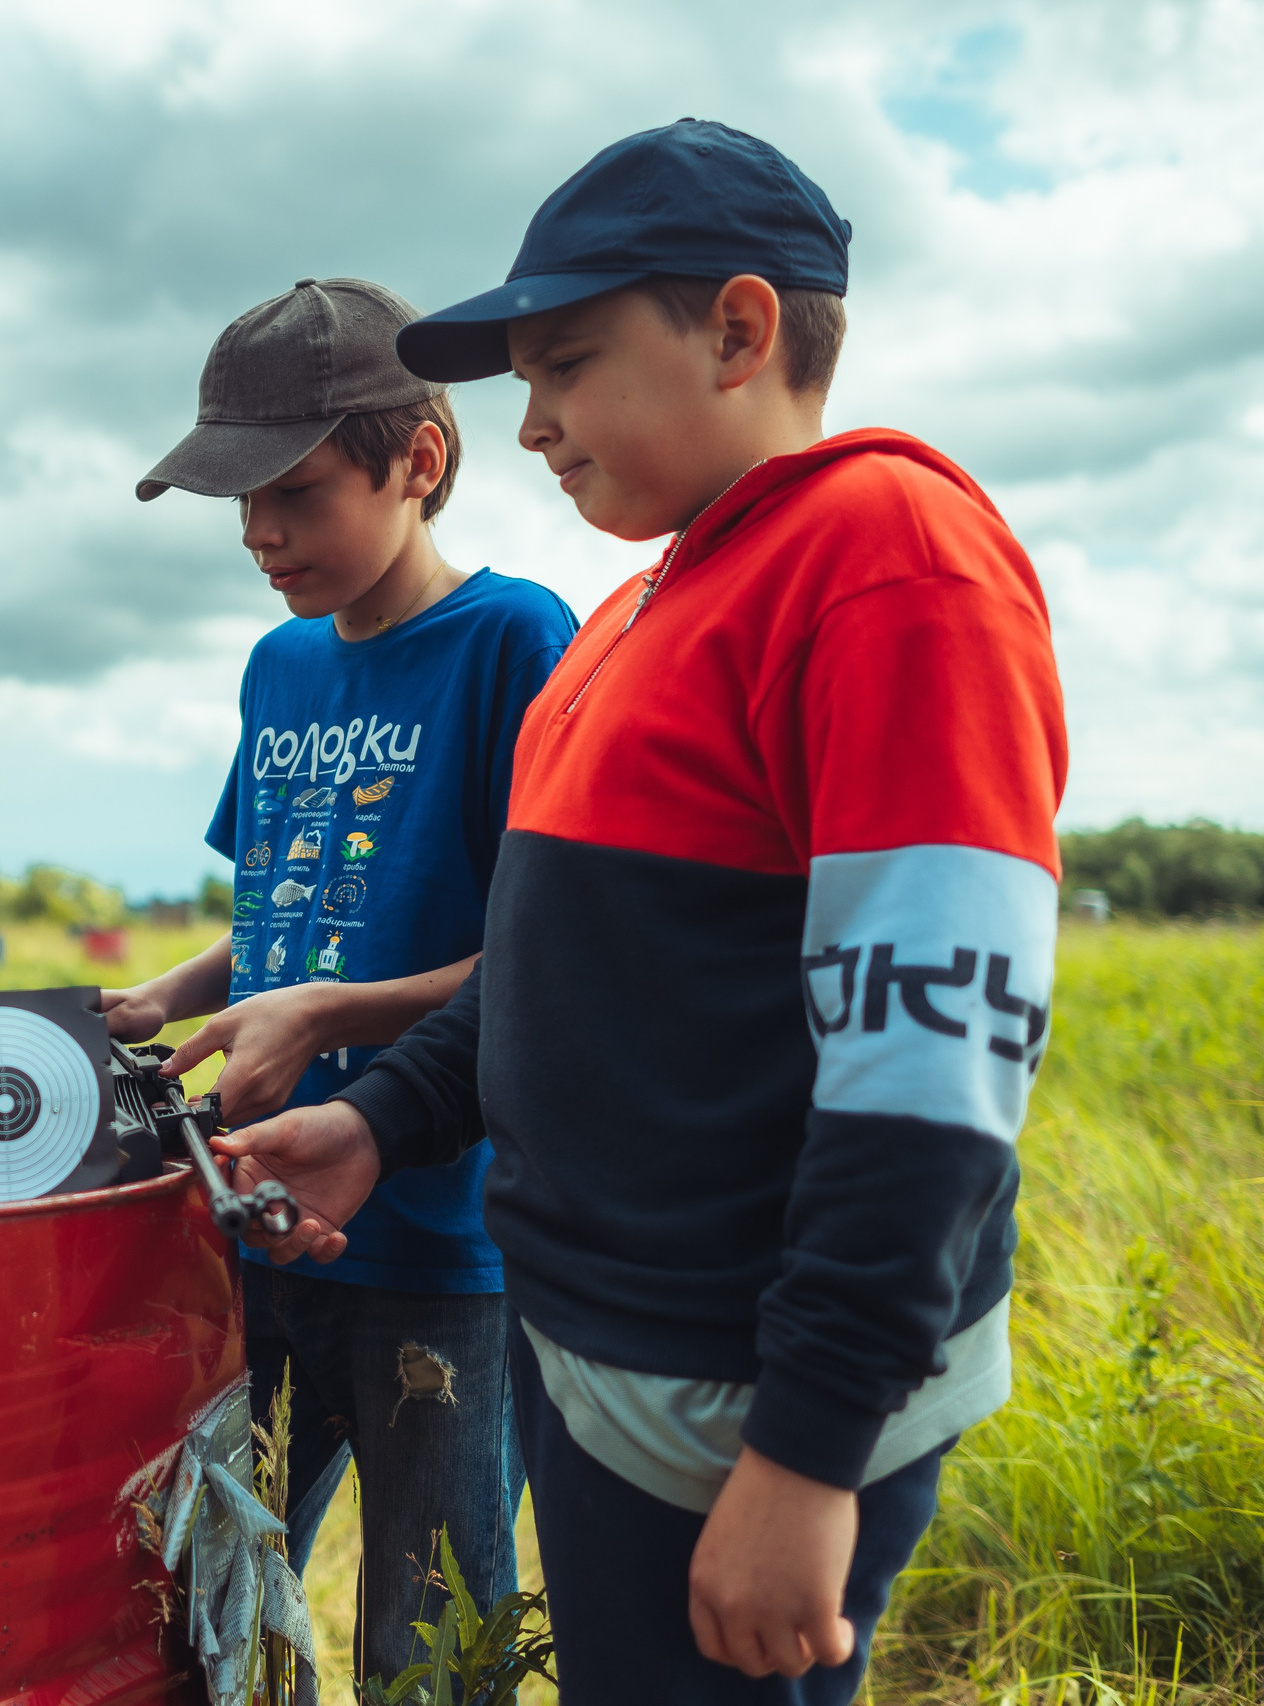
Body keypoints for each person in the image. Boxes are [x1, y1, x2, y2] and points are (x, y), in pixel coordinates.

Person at [215, 122, 1066, 1703]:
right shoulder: (641, 610)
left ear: (739, 331)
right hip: (602, 1361)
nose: (530, 423)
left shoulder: (888, 561)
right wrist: (385, 1118)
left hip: (743, 1399)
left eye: (567, 365)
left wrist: (809, 1453)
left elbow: (930, 1072)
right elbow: (553, 965)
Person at [108, 278, 577, 1681]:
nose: (260, 532)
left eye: (296, 493)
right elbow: (281, 913)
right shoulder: (281, 665)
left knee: (431, 1636)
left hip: (437, 1233)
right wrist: (165, 997)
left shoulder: (513, 641)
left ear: (418, 460)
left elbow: (547, 947)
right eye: (240, 502)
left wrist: (330, 1014)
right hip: (256, 1219)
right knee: (219, 1606)